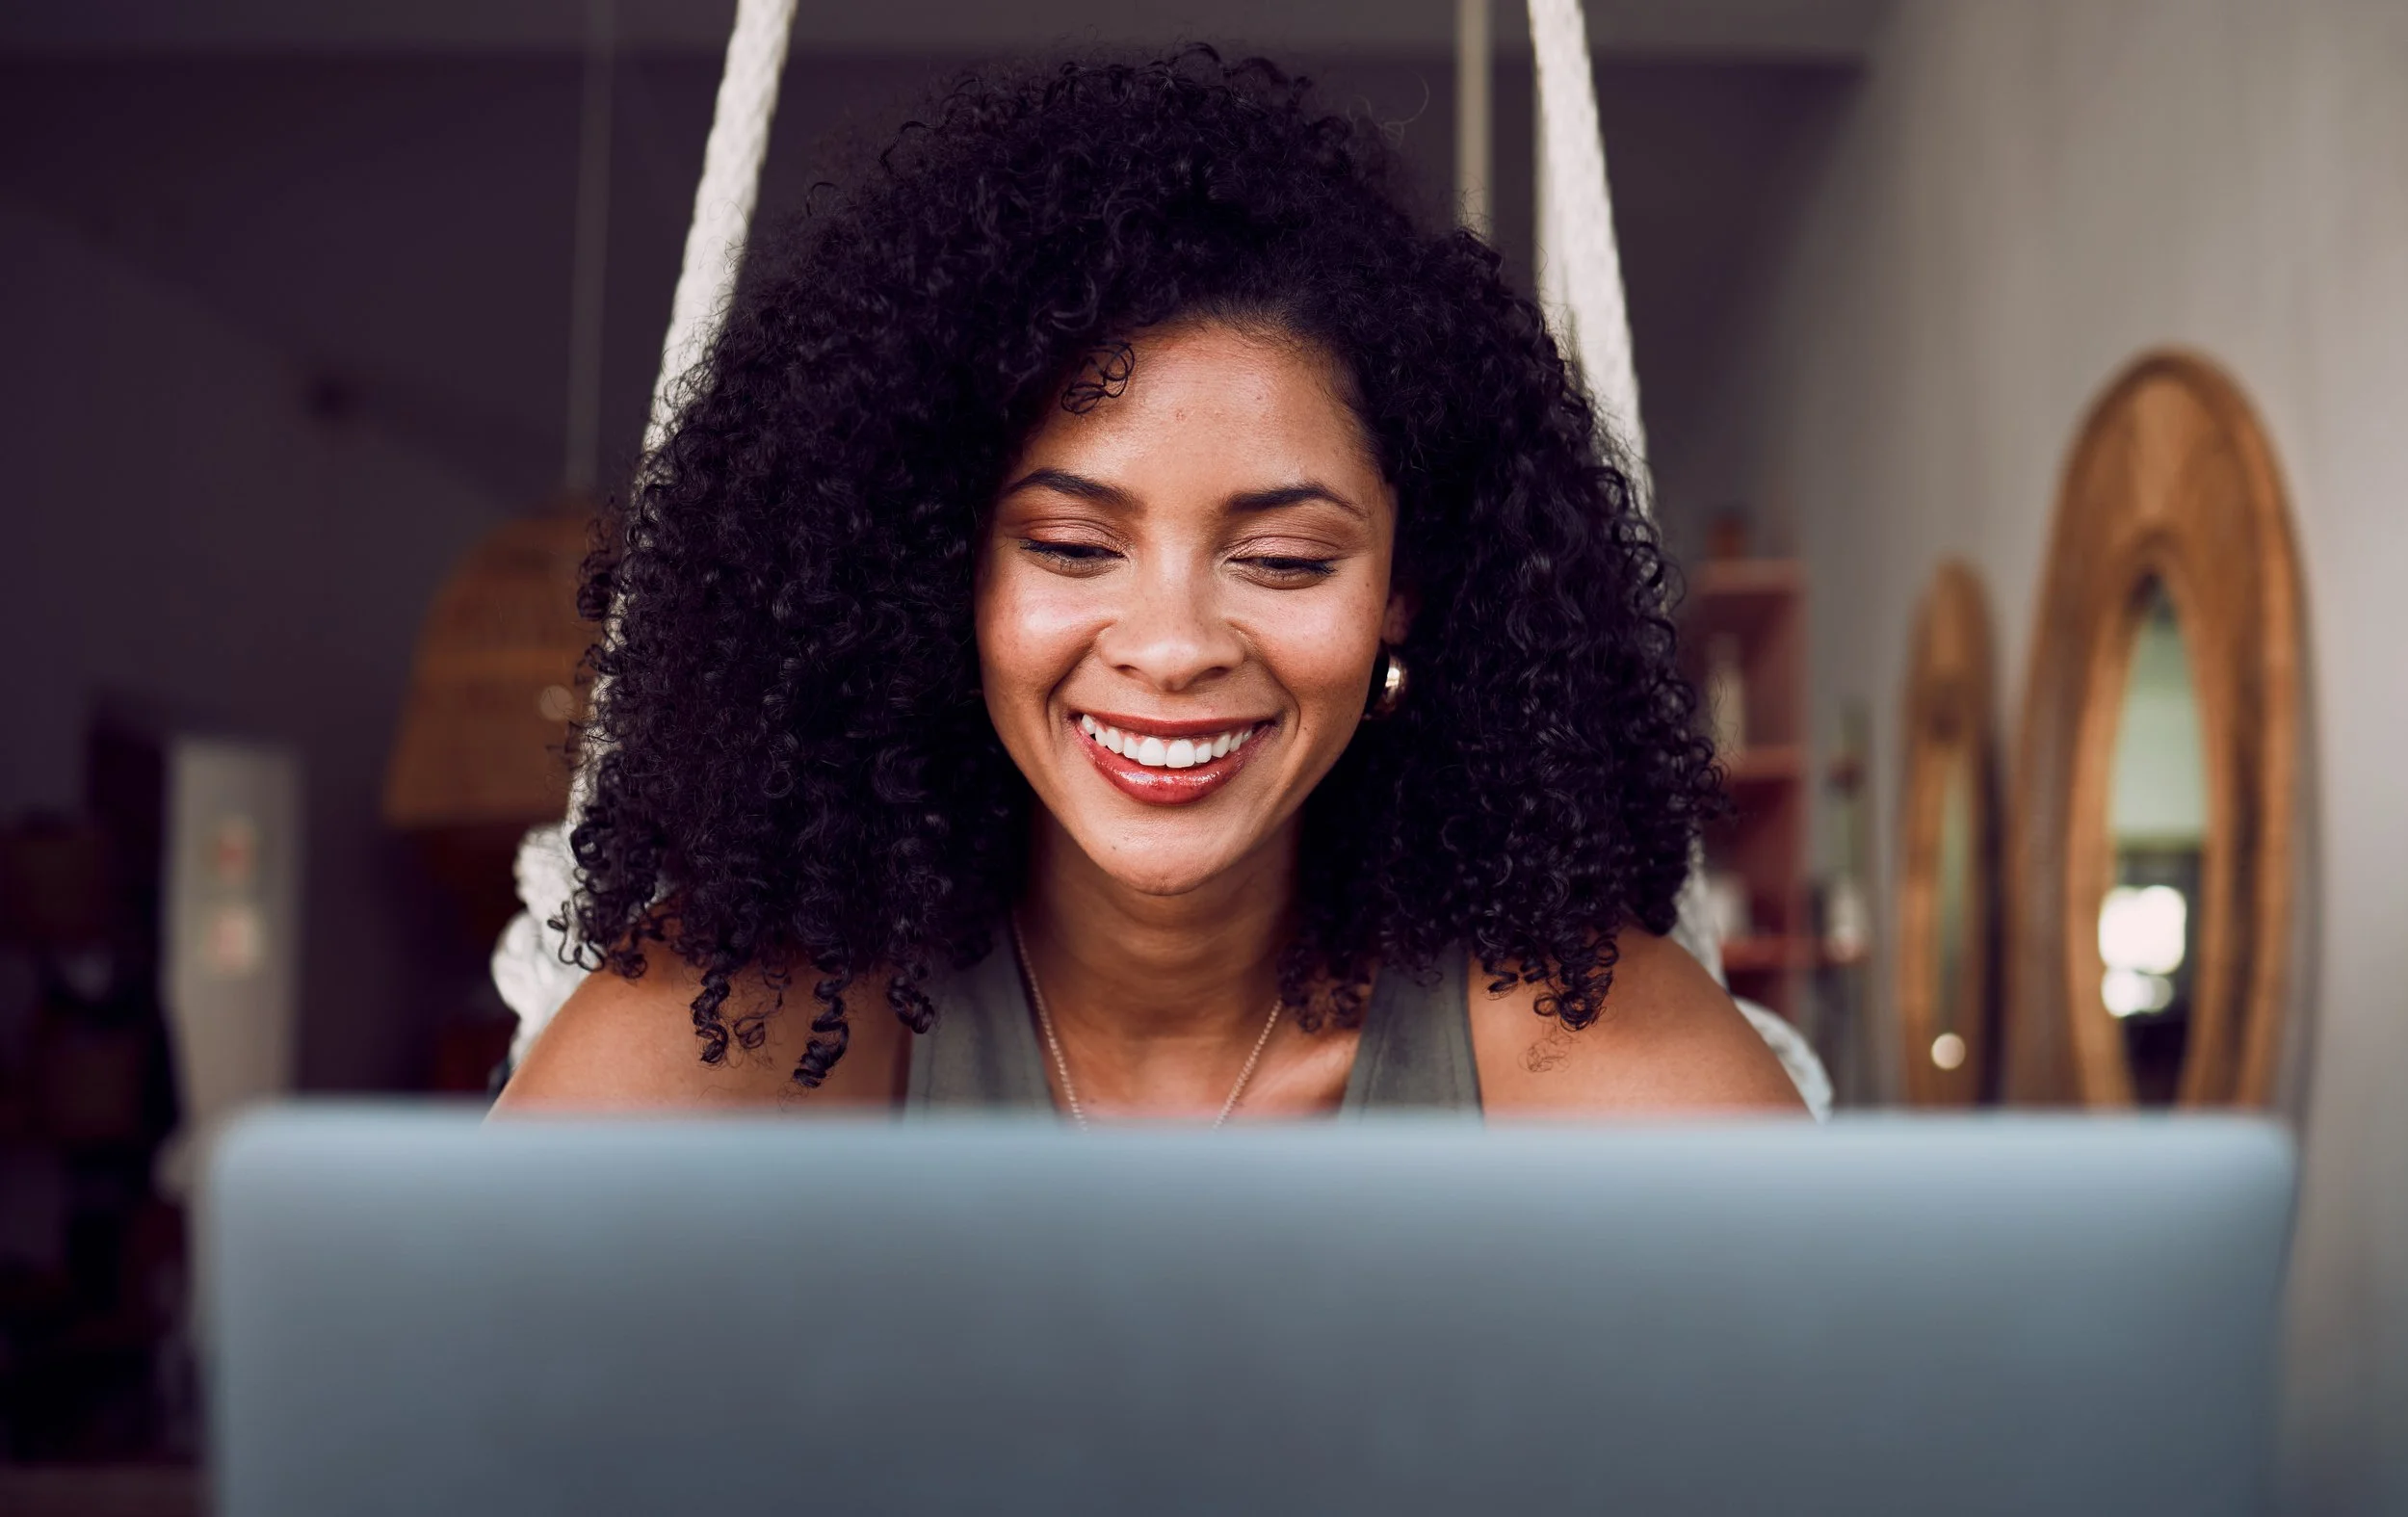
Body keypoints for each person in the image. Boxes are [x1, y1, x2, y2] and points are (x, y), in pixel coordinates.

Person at [498, 49, 1802, 1120]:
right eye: (1071, 547)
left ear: (1408, 588)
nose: (1173, 647)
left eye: (1285, 560)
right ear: (931, 573)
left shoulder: (1604, 1063)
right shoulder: (738, 1038)